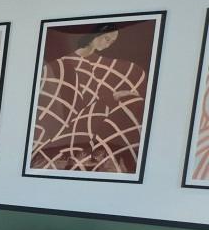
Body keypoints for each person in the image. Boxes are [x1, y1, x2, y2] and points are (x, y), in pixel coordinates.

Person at [30, 22, 148, 174]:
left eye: (112, 41)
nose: (109, 44)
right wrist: (112, 98)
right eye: (107, 38)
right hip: (67, 131)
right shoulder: (60, 65)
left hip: (92, 126)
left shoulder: (107, 66)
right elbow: (60, 106)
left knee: (133, 101)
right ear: (95, 34)